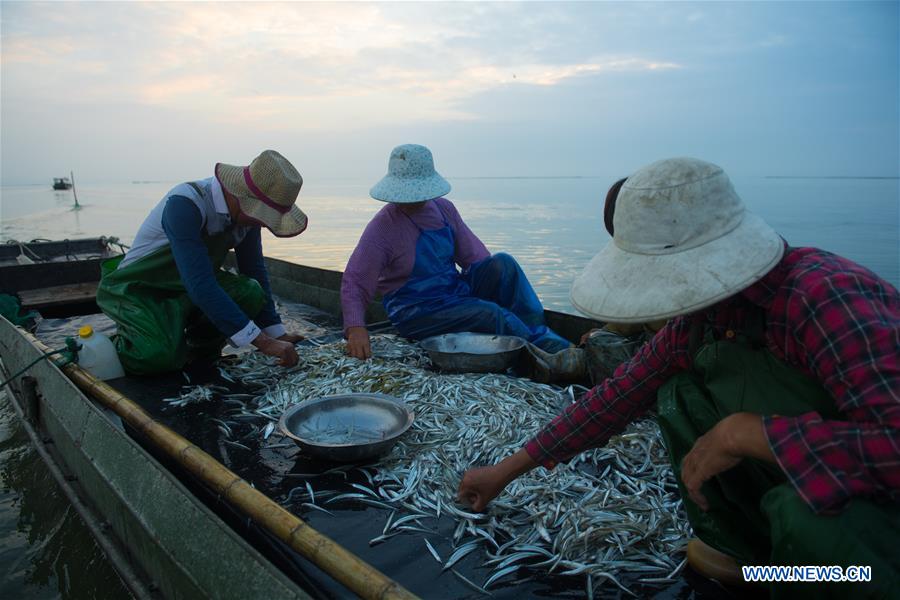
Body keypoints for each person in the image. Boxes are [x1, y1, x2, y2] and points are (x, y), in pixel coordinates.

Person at [457, 157, 899, 596]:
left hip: (874, 504)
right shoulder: (702, 319)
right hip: (802, 473)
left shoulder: (825, 298)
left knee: (805, 519)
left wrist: (746, 434)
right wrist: (504, 471)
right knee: (680, 395)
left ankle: (815, 574)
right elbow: (615, 398)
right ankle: (756, 558)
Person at [341, 144, 571, 360]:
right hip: (415, 312)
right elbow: (356, 280)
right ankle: (540, 354)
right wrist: (356, 328)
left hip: (453, 294)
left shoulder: (444, 209)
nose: (411, 199)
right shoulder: (384, 226)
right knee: (490, 314)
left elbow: (477, 259)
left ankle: (539, 332)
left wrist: (492, 281)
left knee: (504, 263)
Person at [97, 150, 308, 375]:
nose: (265, 224)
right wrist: (263, 342)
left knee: (251, 291)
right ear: (243, 200)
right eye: (264, 217)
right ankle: (122, 343)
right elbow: (200, 284)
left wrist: (275, 332)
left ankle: (197, 350)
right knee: (157, 356)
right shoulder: (185, 204)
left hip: (188, 286)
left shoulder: (248, 221)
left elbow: (254, 270)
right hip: (140, 288)